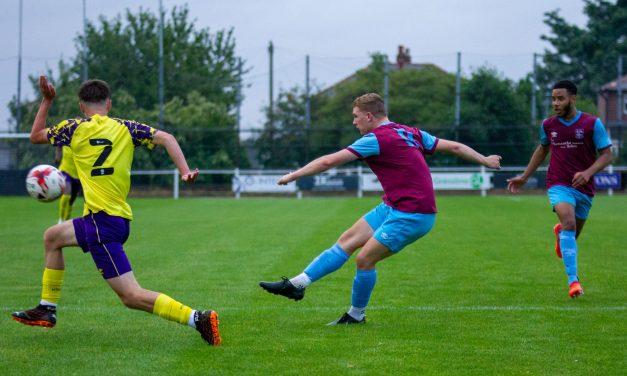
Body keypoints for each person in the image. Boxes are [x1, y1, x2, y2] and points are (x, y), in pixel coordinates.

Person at [11, 76, 221, 346]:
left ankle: (198, 318)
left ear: (81, 106)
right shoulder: (126, 128)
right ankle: (47, 308)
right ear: (108, 104)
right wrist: (184, 172)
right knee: (53, 237)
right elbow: (167, 138)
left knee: (131, 296)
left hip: (103, 224)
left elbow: (36, 136)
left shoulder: (73, 128)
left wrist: (48, 99)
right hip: (110, 219)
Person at [259, 93, 502, 325]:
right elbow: (456, 147)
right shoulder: (410, 132)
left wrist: (293, 175)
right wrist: (485, 160)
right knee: (348, 240)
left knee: (364, 259)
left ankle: (356, 315)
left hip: (413, 214)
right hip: (393, 206)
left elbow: (328, 161)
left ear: (368, 116)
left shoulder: (375, 139)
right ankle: (297, 285)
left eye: (355, 116)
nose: (354, 122)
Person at [507, 80, 612, 299]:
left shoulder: (592, 123)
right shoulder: (548, 125)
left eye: (560, 98)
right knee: (569, 223)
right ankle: (573, 282)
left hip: (584, 188)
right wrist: (524, 177)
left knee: (572, 232)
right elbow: (542, 149)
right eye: (553, 98)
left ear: (573, 98)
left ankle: (561, 233)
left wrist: (588, 173)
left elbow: (607, 154)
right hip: (558, 183)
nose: (555, 103)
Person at [55, 145, 82, 223]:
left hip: (78, 174)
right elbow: (58, 143)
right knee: (66, 195)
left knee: (72, 200)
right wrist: (58, 155)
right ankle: (61, 219)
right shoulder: (67, 134)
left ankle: (66, 220)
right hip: (65, 170)